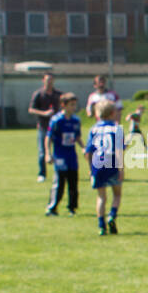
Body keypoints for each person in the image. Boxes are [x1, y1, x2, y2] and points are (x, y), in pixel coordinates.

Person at [84, 100, 125, 235]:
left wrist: (90, 169)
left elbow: (88, 152)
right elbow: (119, 150)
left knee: (101, 197)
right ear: (113, 113)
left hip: (98, 164)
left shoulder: (94, 129)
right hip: (112, 163)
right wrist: (121, 168)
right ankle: (112, 215)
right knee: (117, 194)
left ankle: (101, 226)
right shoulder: (117, 128)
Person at [44, 92, 83, 217]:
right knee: (59, 182)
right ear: (63, 105)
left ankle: (72, 208)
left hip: (72, 156)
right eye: (71, 105)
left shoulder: (76, 120)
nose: (73, 107)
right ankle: (52, 208)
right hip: (60, 156)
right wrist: (47, 154)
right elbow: (48, 137)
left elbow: (77, 136)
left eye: (74, 105)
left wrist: (83, 148)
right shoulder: (56, 120)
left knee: (73, 182)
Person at [28, 73, 62, 181]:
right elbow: (31, 109)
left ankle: (60, 171)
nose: (49, 82)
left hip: (57, 127)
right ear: (43, 80)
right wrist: (44, 113)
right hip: (44, 127)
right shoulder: (38, 94)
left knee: (60, 150)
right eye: (47, 80)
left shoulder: (58, 94)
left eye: (51, 79)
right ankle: (42, 174)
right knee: (42, 151)